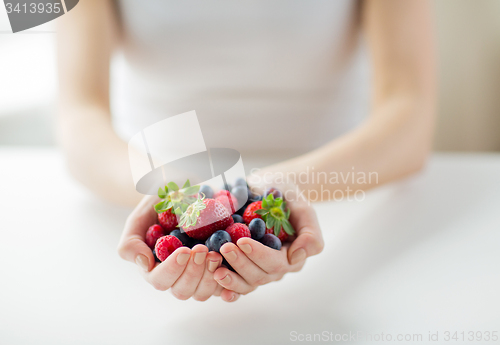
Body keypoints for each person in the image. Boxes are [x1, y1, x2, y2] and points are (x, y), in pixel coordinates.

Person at [57, 0, 436, 302]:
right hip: (145, 181)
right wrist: (168, 189)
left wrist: (281, 187)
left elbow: (409, 115)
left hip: (336, 193)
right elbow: (78, 116)